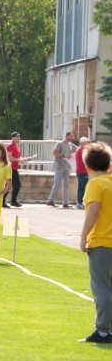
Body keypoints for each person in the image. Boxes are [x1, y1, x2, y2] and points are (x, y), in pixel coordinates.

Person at [78, 141, 112, 343]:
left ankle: (102, 331)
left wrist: (83, 237)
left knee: (101, 288)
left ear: (87, 166)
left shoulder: (95, 184)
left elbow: (94, 211)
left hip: (101, 241)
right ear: (109, 165)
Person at [4, 131, 35, 208]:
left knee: (10, 185)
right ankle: (11, 201)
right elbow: (10, 157)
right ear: (12, 138)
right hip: (10, 168)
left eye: (19, 137)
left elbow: (16, 158)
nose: (19, 138)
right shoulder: (10, 146)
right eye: (17, 137)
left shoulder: (16, 146)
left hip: (14, 168)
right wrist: (20, 160)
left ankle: (8, 200)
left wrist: (25, 159)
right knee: (14, 185)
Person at [47, 131, 77, 208]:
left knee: (66, 185)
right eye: (71, 136)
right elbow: (54, 153)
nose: (72, 138)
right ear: (67, 136)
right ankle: (50, 200)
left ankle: (65, 203)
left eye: (73, 136)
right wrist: (64, 155)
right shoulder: (59, 143)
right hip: (59, 166)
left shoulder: (71, 145)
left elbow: (78, 150)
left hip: (67, 167)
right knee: (57, 184)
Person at [76, 137, 91, 210]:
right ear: (83, 143)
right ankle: (80, 202)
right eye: (87, 142)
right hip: (83, 171)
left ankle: (79, 202)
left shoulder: (79, 149)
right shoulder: (82, 150)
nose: (88, 144)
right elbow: (86, 161)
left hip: (80, 171)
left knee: (80, 187)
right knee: (82, 187)